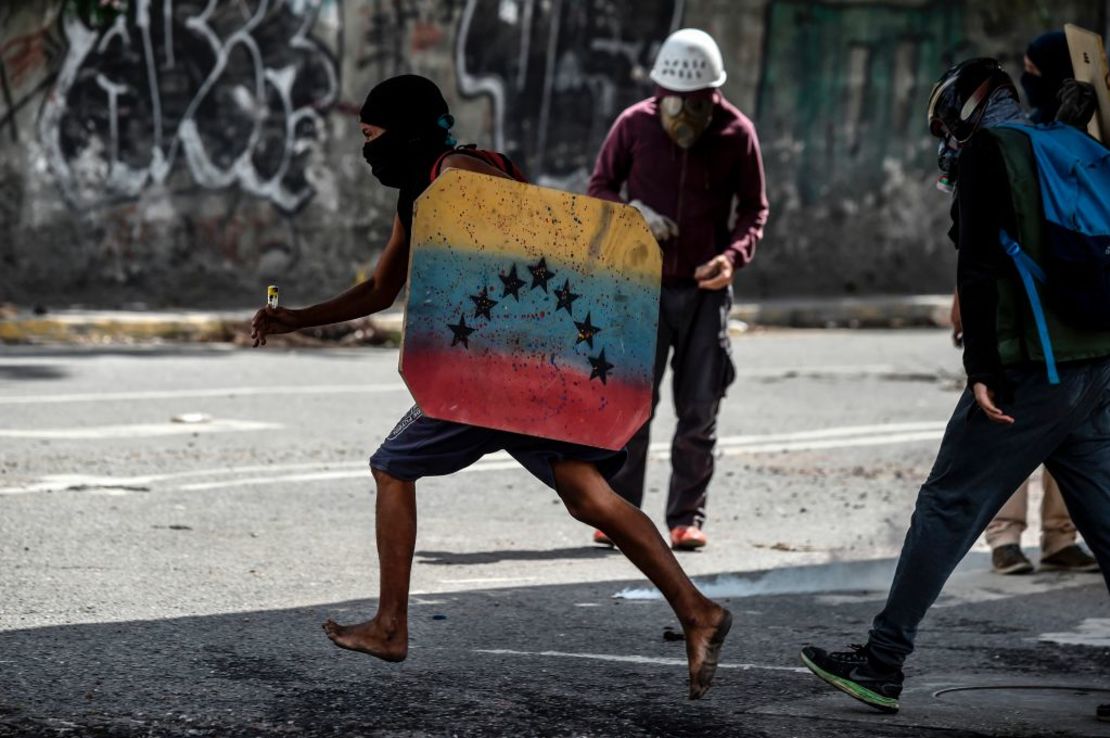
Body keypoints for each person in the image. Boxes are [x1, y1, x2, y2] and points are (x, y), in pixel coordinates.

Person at [250, 74, 732, 700]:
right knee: (588, 495)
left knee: (392, 467)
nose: (368, 151)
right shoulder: (421, 192)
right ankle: (699, 612)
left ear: (405, 129)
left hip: (494, 370)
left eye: (372, 136)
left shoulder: (463, 174)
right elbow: (379, 290)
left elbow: (532, 256)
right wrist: (295, 319)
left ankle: (391, 626)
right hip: (522, 367)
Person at [799, 58, 1110, 720]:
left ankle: (881, 665)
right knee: (1107, 523)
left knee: (946, 505)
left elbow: (977, 265)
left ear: (964, 115)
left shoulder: (988, 156)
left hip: (1032, 370)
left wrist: (983, 372)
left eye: (947, 126)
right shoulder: (1076, 145)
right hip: (1094, 365)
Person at [586, 28, 768, 551]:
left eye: (697, 102)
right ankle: (619, 513)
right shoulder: (634, 124)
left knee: (699, 408)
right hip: (640, 290)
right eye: (675, 100)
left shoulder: (738, 133)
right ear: (659, 90)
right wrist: (632, 214)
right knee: (631, 406)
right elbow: (601, 186)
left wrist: (732, 257)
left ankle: (686, 516)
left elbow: (755, 209)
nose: (684, 112)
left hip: (706, 291)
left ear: (715, 94)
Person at [947, 31, 1099, 577]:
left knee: (1060, 429)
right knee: (1011, 425)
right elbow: (980, 244)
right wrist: (964, 296)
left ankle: (1060, 536)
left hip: (1062, 310)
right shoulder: (1012, 142)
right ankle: (1006, 537)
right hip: (1017, 309)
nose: (1025, 78)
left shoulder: (1077, 149)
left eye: (1034, 68)